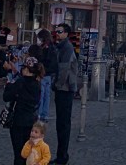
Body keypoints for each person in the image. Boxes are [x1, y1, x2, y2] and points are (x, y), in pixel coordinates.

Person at [4, 56, 42, 165]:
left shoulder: (20, 82)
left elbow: (6, 97)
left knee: (19, 153)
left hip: (18, 120)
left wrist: (8, 85)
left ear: (26, 69)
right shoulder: (37, 84)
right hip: (32, 121)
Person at [50, 23, 78, 165]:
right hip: (62, 88)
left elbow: (64, 70)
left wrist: (57, 84)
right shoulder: (60, 47)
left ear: (66, 33)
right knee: (61, 123)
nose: (57, 33)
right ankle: (61, 155)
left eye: (60, 31)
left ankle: (62, 157)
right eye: (56, 31)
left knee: (63, 123)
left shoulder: (67, 47)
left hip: (65, 89)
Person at [36, 29, 55, 122]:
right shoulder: (53, 47)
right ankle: (45, 114)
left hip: (43, 73)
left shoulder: (44, 48)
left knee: (41, 95)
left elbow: (43, 60)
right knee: (47, 96)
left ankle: (39, 114)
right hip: (49, 75)